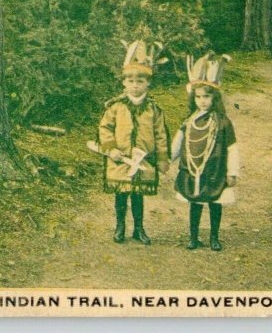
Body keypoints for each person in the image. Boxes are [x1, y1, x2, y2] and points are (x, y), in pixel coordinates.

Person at [98, 41, 170, 245]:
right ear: (124, 83)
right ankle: (120, 227)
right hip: (120, 160)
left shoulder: (153, 109)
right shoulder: (116, 107)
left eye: (140, 81)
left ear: (148, 83)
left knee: (138, 195)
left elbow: (161, 135)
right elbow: (105, 128)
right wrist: (111, 148)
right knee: (121, 194)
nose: (135, 85)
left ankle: (139, 228)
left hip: (143, 161)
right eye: (130, 81)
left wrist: (162, 158)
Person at [172, 53, 239, 251]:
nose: (202, 101)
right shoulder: (189, 121)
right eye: (198, 97)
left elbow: (232, 148)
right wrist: (167, 159)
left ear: (214, 97)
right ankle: (193, 237)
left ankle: (214, 237)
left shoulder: (223, 122)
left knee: (215, 202)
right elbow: (178, 142)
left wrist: (232, 172)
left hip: (215, 169)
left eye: (206, 97)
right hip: (193, 170)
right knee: (195, 202)